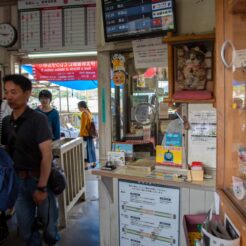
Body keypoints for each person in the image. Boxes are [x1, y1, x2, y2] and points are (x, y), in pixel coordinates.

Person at [1, 74, 60, 245]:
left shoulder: (38, 119)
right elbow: (7, 154)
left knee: (49, 228)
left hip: (40, 181)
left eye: (14, 92)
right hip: (18, 184)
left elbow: (47, 155)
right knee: (25, 231)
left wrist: (41, 187)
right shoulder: (6, 122)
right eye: (6, 92)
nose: (9, 96)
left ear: (27, 94)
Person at [78, 101, 96, 169]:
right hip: (90, 134)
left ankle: (85, 166)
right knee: (91, 149)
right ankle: (94, 163)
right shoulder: (89, 112)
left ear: (81, 107)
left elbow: (83, 126)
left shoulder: (83, 114)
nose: (78, 109)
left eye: (79, 107)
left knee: (85, 150)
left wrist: (80, 135)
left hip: (85, 134)